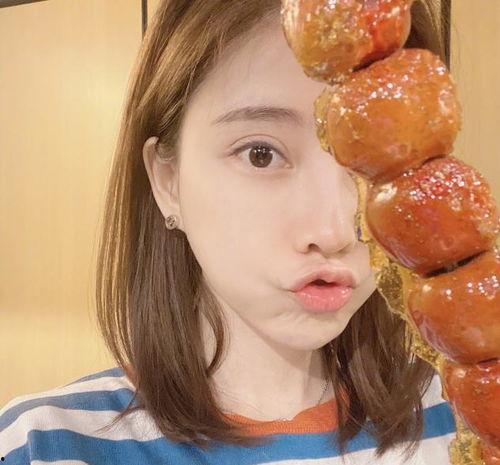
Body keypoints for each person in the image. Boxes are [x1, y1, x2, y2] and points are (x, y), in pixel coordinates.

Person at [0, 0, 457, 463]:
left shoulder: (462, 417)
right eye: (261, 154)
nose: (334, 229)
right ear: (167, 180)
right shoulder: (42, 447)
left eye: (375, 160)